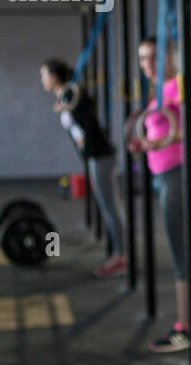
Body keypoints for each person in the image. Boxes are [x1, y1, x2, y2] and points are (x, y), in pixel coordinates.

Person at [130, 36, 191, 353]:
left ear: (170, 57)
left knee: (183, 253)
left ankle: (190, 327)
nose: (148, 65)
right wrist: (146, 141)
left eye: (153, 57)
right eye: (142, 59)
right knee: (183, 251)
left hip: (177, 175)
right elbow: (160, 130)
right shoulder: (158, 92)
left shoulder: (182, 85)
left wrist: (166, 140)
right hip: (162, 175)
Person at [39, 58, 128, 278]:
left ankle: (122, 258)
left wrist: (84, 141)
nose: (42, 79)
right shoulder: (67, 96)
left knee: (110, 208)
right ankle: (120, 254)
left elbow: (90, 123)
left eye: (44, 74)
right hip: (95, 156)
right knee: (108, 207)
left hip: (100, 156)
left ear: (54, 76)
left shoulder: (72, 94)